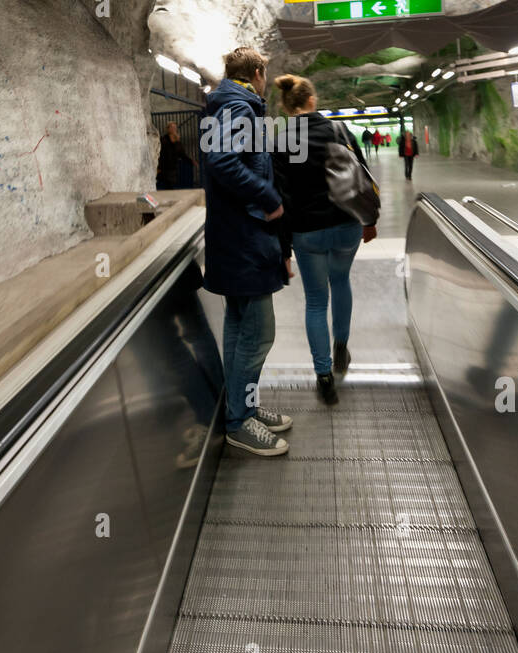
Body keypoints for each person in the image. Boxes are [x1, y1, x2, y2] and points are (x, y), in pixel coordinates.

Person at [201, 47, 293, 457]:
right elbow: (222, 160)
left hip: (239, 239)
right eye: (264, 75)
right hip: (245, 240)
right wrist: (267, 195)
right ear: (257, 73)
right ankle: (239, 421)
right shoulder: (238, 107)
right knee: (258, 334)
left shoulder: (230, 105)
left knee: (240, 330)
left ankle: (246, 407)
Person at [273, 73, 377, 406]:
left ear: (287, 106)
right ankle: (341, 349)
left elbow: (280, 198)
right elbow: (361, 173)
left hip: (307, 232)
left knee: (316, 301)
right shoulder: (339, 129)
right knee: (341, 280)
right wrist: (369, 220)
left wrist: (284, 246)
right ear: (312, 100)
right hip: (346, 225)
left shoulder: (282, 140)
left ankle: (324, 377)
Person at [156, 121, 192, 190]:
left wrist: (177, 141)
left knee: (171, 186)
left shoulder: (177, 141)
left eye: (175, 128)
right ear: (168, 129)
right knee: (165, 187)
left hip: (173, 168)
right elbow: (161, 154)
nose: (173, 129)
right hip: (164, 169)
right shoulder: (163, 140)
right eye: (172, 127)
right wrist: (158, 167)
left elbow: (181, 153)